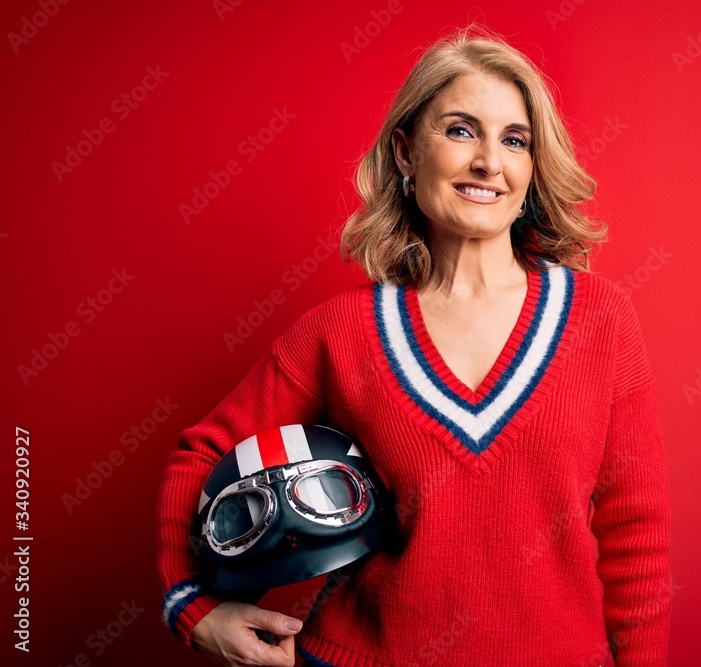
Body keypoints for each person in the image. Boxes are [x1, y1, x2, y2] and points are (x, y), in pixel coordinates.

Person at [156, 22, 671, 667]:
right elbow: (202, 452)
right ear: (405, 152)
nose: (489, 160)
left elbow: (636, 535)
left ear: (534, 168)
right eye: (459, 130)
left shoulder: (600, 319)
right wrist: (193, 608)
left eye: (515, 140)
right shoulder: (340, 333)